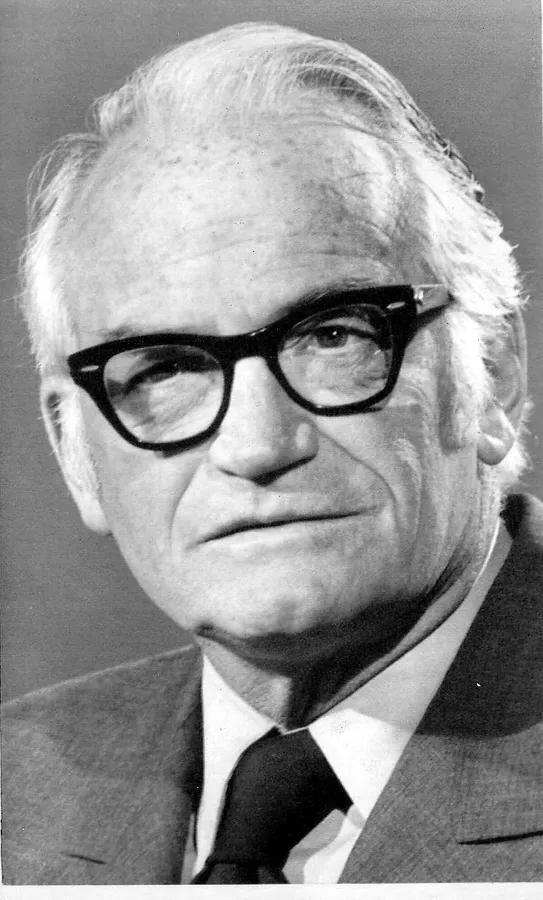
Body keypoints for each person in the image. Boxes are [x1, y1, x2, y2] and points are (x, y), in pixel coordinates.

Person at [2, 21, 542, 885]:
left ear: (494, 377)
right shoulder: (16, 786)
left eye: (333, 334)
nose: (256, 446)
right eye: (166, 368)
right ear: (75, 450)